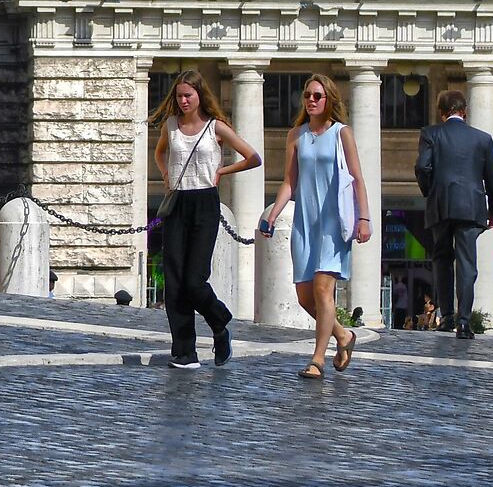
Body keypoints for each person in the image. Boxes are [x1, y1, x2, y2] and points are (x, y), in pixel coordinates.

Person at [148, 70, 261, 369]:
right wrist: (166, 173)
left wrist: (221, 172)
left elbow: (252, 157)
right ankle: (184, 351)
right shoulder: (170, 126)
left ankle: (220, 323)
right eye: (179, 96)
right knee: (174, 281)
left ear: (199, 95)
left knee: (194, 280)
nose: (183, 101)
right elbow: (160, 153)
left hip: (205, 201)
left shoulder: (216, 127)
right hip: (178, 201)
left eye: (189, 95)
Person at [262, 74, 371, 379]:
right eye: (307, 95)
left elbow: (357, 178)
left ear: (329, 100)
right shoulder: (295, 135)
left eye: (317, 96)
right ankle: (344, 335)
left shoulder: (341, 133)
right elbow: (289, 181)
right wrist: (272, 214)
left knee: (324, 290)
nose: (311, 100)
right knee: (305, 297)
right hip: (304, 222)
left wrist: (364, 218)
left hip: (334, 222)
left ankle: (318, 359)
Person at [413, 86, 493, 339]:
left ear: (442, 113)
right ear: (465, 112)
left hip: (440, 204)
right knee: (467, 263)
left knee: (441, 258)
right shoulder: (482, 139)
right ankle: (464, 322)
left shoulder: (430, 133)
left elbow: (422, 166)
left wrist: (430, 191)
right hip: (471, 207)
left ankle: (447, 316)